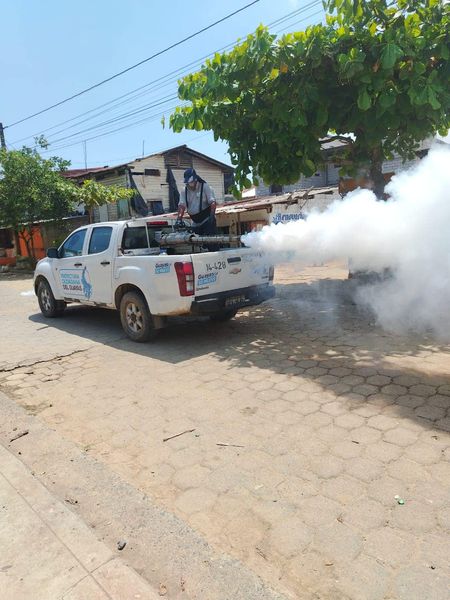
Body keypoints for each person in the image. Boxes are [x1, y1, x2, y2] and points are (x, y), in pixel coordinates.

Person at [176, 168, 217, 236]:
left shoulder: (205, 186)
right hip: (195, 222)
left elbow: (212, 202)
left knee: (210, 241)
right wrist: (179, 218)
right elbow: (182, 205)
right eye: (188, 183)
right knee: (195, 241)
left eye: (191, 182)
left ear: (195, 179)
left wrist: (212, 215)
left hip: (207, 221)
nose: (190, 184)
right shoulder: (184, 191)